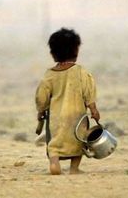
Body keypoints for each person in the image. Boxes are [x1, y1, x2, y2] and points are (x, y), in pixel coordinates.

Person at [35, 28, 100, 175]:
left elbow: (41, 97)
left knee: (54, 143)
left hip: (56, 118)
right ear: (76, 51)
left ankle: (54, 163)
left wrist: (41, 111)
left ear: (53, 53)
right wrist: (94, 110)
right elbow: (88, 92)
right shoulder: (80, 72)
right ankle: (74, 168)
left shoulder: (49, 75)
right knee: (78, 140)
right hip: (77, 116)